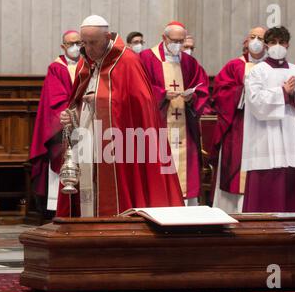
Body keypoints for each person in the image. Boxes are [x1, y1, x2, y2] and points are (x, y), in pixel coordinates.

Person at [57, 15, 184, 217]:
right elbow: (78, 102)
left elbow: (141, 106)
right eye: (85, 43)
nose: (88, 49)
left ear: (107, 36)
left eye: (93, 43)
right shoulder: (86, 63)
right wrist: (71, 115)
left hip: (123, 146)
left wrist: (100, 101)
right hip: (89, 142)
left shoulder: (128, 61)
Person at [241, 26, 295, 213]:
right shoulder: (257, 71)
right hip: (265, 138)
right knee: (266, 190)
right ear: (266, 45)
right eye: (273, 42)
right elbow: (255, 101)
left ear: (288, 44)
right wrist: (283, 92)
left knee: (293, 188)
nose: (277, 46)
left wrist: (293, 95)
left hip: (293, 137)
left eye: (281, 42)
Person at [140, 21, 211, 206]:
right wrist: (162, 94)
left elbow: (202, 87)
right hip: (157, 125)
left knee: (185, 169)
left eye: (181, 41)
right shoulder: (147, 58)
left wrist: (192, 98)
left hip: (184, 127)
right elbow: (139, 88)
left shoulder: (188, 62)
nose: (178, 45)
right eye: (174, 40)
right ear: (164, 38)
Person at [212, 27, 267, 213]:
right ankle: (230, 211)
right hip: (238, 125)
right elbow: (220, 93)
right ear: (246, 41)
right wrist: (241, 90)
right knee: (235, 172)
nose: (256, 41)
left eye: (261, 38)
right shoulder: (234, 65)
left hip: (263, 127)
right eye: (253, 37)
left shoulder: (271, 67)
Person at [29, 30, 81, 216]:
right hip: (63, 128)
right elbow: (55, 100)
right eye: (71, 44)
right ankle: (58, 207)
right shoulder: (56, 68)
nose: (76, 47)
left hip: (86, 126)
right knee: (63, 159)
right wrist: (72, 114)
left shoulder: (88, 65)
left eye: (79, 43)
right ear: (63, 46)